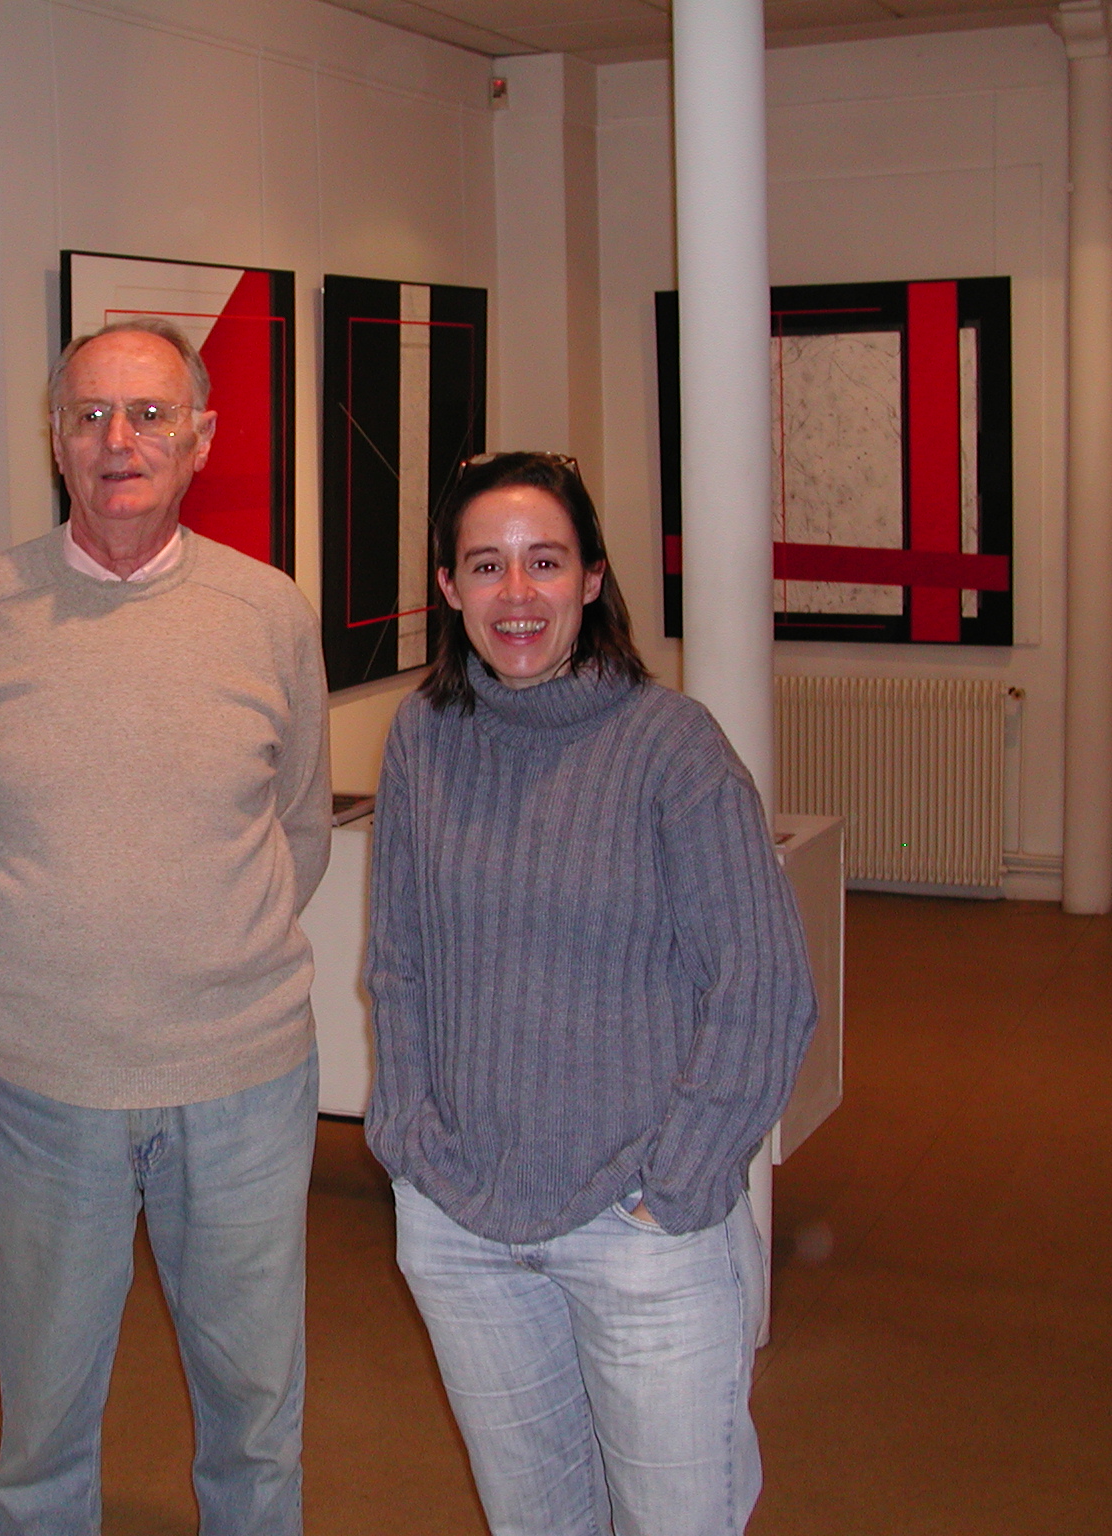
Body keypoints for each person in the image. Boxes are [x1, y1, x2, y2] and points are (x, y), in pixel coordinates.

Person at [0, 318, 331, 1535]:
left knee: (255, 1419)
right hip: (39, 1090)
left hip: (244, 1084)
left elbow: (298, 825)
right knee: (41, 1428)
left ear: (202, 437)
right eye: (89, 415)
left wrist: (204, 960)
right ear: (53, 440)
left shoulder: (266, 612)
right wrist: (37, 971)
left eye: (149, 414)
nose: (117, 441)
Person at [363, 451, 818, 1536]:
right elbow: (398, 961)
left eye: (545, 561)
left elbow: (762, 984)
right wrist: (407, 1140)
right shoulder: (425, 738)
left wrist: (676, 1184)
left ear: (593, 578)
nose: (516, 593)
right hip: (464, 1225)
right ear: (447, 587)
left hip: (638, 1227)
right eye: (486, 565)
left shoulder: (671, 748)